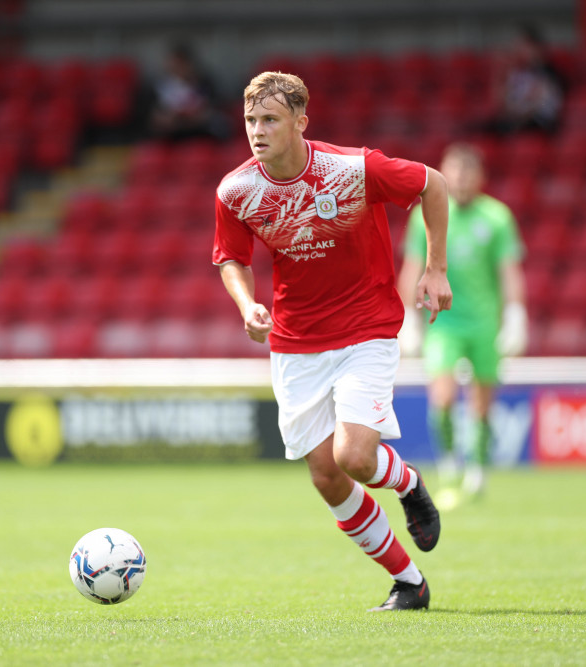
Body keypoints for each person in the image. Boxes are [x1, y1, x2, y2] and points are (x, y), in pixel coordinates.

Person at [213, 72, 453, 611]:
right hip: (296, 341)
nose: (257, 130)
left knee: (354, 456)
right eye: (251, 119)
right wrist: (247, 304)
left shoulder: (351, 169)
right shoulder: (236, 190)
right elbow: (230, 256)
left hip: (366, 327)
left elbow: (432, 184)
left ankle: (408, 483)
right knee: (325, 475)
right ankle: (409, 583)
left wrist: (435, 268)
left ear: (301, 122)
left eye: (270, 119)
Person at [397, 143, 527, 503]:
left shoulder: (497, 217)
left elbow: (508, 271)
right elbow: (412, 266)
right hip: (443, 322)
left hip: (484, 323)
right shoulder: (427, 213)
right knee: (443, 396)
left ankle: (478, 471)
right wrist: (408, 317)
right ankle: (450, 461)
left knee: (483, 402)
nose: (460, 179)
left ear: (479, 177)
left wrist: (515, 315)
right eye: (453, 172)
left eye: (467, 172)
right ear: (443, 173)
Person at [479, 24, 565, 136]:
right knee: (484, 130)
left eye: (522, 45)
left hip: (539, 124)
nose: (518, 50)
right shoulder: (518, 73)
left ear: (535, 47)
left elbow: (540, 106)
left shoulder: (549, 75)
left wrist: (518, 114)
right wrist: (500, 75)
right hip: (516, 120)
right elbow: (502, 104)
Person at [147, 42, 228, 141]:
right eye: (175, 64)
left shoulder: (204, 84)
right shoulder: (159, 86)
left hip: (199, 132)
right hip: (170, 134)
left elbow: (214, 110)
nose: (179, 68)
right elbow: (155, 116)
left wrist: (194, 116)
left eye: (182, 63)